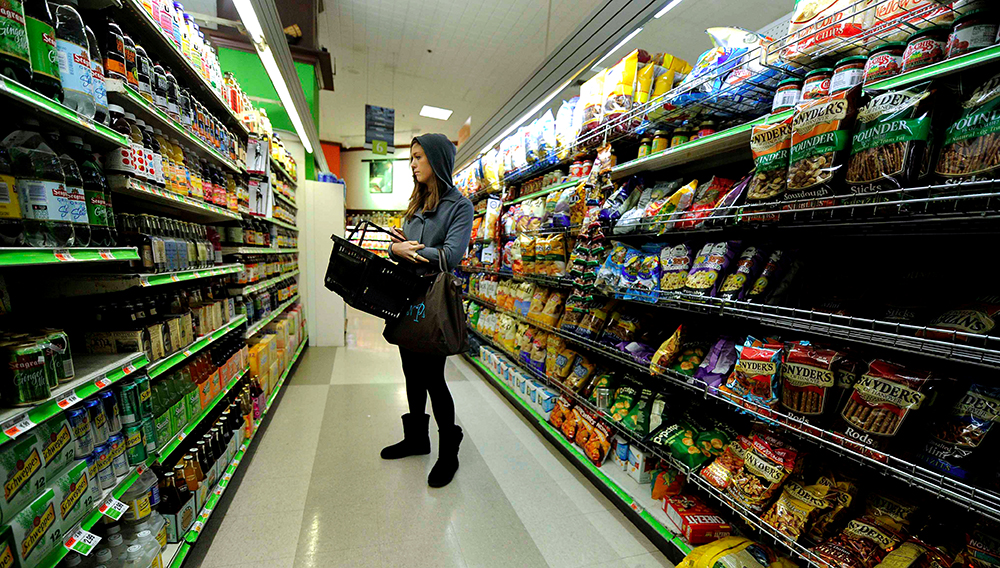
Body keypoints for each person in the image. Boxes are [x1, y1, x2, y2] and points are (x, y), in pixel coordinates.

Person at [382, 133, 474, 488]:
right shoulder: (416, 205)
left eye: (419, 156)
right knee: (410, 373)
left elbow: (452, 256)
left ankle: (448, 449)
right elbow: (403, 247)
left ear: (436, 160)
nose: (414, 163)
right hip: (408, 300)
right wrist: (395, 248)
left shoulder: (459, 205)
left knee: (434, 377)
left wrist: (410, 251)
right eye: (412, 157)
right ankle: (418, 439)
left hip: (433, 303)